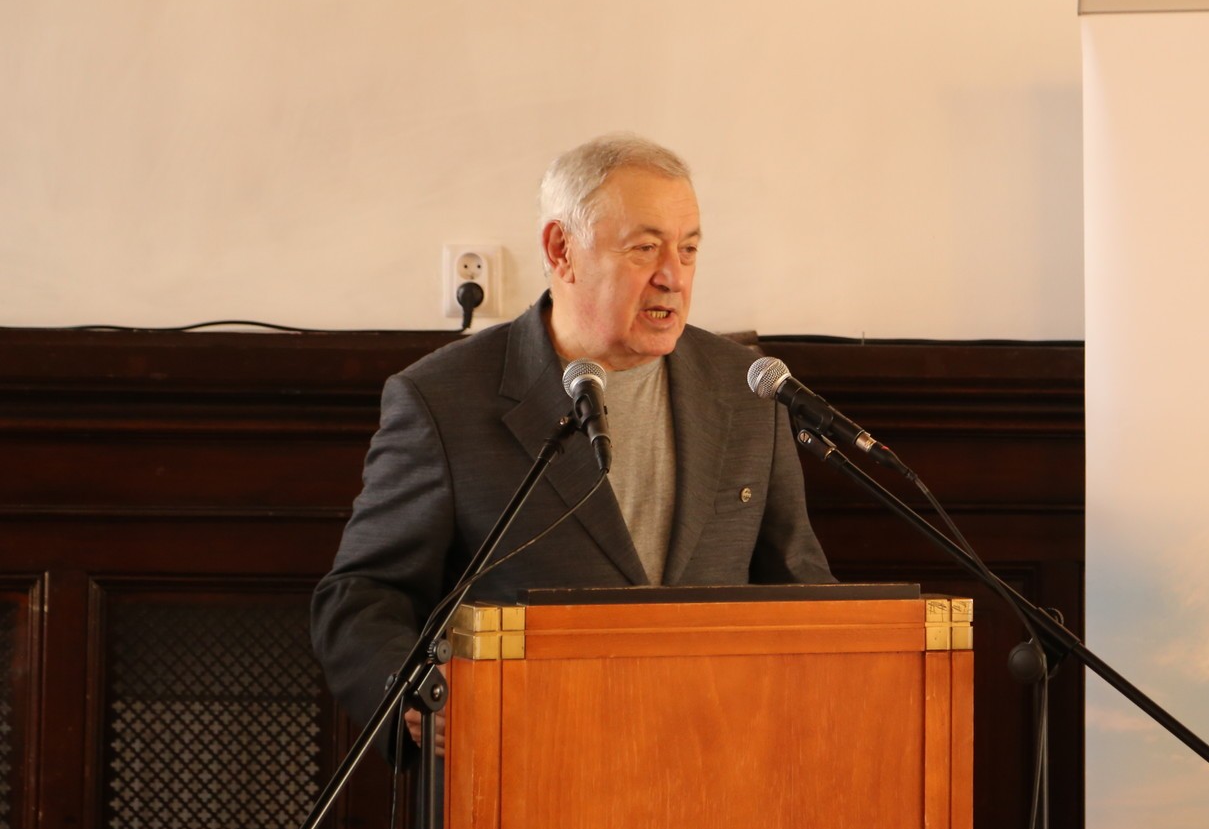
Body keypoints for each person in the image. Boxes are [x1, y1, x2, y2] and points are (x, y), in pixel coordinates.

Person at [311, 132, 834, 741]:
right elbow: (362, 596)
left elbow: (802, 589)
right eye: (645, 248)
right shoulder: (444, 400)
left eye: (689, 249)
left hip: (716, 756)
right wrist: (416, 694)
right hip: (528, 755)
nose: (673, 276)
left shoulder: (746, 390)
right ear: (562, 250)